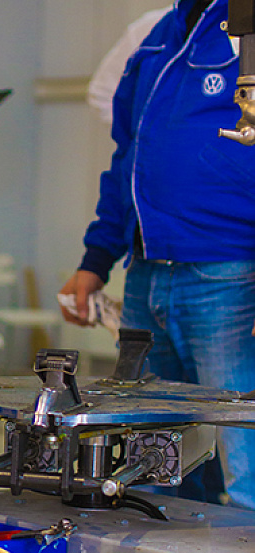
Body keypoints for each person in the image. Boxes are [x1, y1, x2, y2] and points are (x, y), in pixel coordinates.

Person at [60, 0, 255, 511]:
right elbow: (127, 158)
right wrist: (95, 259)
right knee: (152, 461)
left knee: (245, 463)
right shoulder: (157, 36)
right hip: (146, 277)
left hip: (229, 276)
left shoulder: (246, 28)